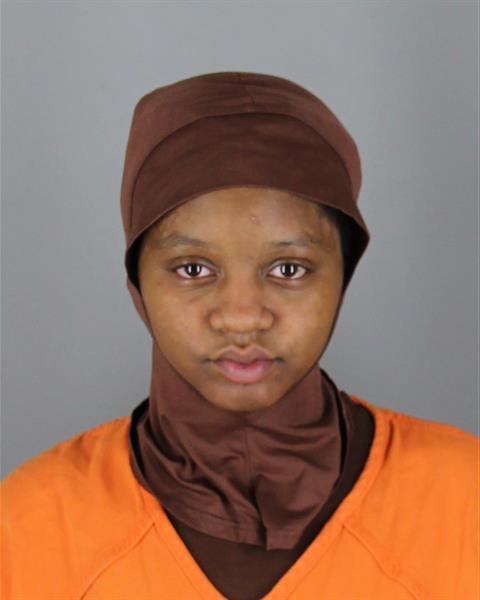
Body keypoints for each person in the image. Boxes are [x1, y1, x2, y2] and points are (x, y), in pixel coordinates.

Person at [1, 72, 477, 600]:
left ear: (343, 274)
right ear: (137, 281)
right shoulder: (28, 526)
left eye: (289, 269)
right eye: (193, 269)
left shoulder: (465, 500)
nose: (243, 318)